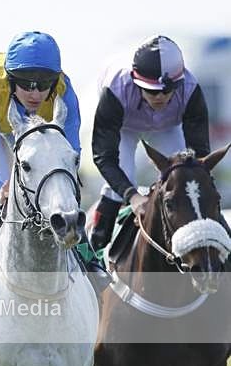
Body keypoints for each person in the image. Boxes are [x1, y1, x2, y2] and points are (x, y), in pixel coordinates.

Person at [0, 30, 108, 286]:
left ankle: (91, 263)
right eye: (26, 83)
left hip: (29, 123)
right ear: (11, 80)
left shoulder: (63, 94)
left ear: (54, 81)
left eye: (43, 84)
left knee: (56, 188)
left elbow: (70, 155)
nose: (35, 94)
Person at [90, 34, 213, 250]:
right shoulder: (115, 89)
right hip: (124, 127)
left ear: (179, 82)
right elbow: (104, 156)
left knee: (185, 179)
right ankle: (95, 249)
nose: (160, 97)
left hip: (167, 128)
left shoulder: (191, 90)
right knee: (123, 175)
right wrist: (133, 196)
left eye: (167, 90)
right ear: (136, 81)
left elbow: (200, 157)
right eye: (151, 91)